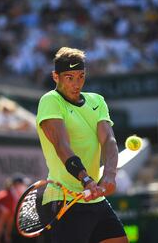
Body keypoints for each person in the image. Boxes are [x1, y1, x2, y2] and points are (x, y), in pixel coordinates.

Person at [36, 47, 128, 243]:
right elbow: (62, 145)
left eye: (81, 76)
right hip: (63, 200)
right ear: (55, 77)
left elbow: (108, 141)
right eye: (69, 77)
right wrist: (86, 179)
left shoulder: (97, 101)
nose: (76, 83)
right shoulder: (50, 100)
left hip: (94, 198)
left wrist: (109, 174)